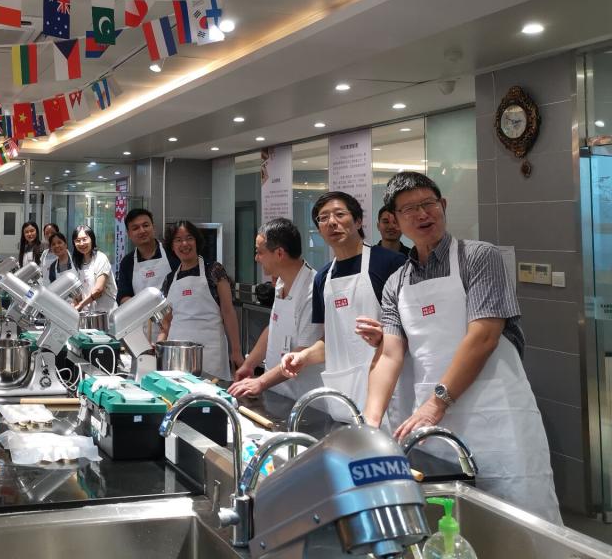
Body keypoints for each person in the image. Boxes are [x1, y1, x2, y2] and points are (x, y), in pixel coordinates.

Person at [363, 172, 561, 524]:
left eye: (428, 204)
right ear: (394, 219)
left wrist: (437, 403)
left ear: (443, 205)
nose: (422, 214)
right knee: (451, 521)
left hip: (495, 415)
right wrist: (369, 422)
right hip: (435, 427)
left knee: (521, 518)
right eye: (409, 209)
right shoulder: (395, 283)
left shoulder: (479, 257)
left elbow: (483, 337)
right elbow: (390, 354)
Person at [280, 191, 410, 426]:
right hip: (344, 395)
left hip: (391, 393)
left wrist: (385, 336)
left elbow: (414, 328)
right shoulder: (323, 277)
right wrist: (303, 357)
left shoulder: (390, 263)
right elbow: (331, 341)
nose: (332, 222)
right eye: (323, 218)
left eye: (340, 214)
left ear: (358, 221)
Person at [228, 218, 323, 400]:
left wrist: (261, 382)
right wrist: (249, 364)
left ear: (279, 253)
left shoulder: (312, 290)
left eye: (260, 252)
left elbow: (304, 351)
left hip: (303, 398)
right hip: (277, 390)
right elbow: (273, 328)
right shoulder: (280, 282)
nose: (256, 258)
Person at [159, 221, 243, 381]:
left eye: (189, 238)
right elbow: (167, 321)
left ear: (197, 241)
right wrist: (159, 346)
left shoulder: (214, 270)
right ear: (172, 246)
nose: (184, 244)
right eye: (178, 240)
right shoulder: (169, 279)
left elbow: (228, 311)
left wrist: (236, 351)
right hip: (177, 354)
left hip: (210, 352)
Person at [116, 208, 176, 304]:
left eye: (146, 225)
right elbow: (123, 296)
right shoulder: (127, 262)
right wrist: (143, 307)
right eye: (135, 228)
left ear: (153, 227)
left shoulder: (173, 253)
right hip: (141, 312)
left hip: (173, 311)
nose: (142, 231)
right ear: (129, 234)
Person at [71, 225, 118, 312]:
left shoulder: (101, 258)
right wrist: (75, 302)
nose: (81, 243)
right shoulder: (78, 263)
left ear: (92, 239)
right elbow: (80, 291)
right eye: (78, 240)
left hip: (106, 312)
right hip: (89, 313)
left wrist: (81, 305)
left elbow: (98, 290)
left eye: (84, 239)